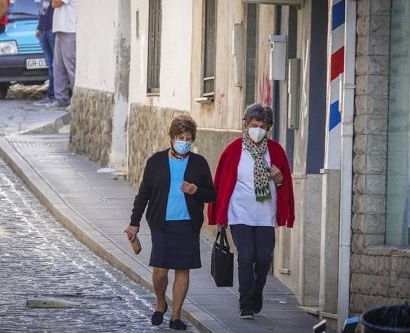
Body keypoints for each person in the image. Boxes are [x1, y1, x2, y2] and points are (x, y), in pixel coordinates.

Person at [125, 115, 216, 330]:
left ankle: (175, 316)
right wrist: (134, 222)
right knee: (160, 272)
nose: (184, 141)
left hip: (188, 225)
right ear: (171, 138)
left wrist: (196, 191)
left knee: (183, 270)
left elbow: (211, 194)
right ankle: (160, 302)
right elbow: (144, 194)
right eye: (180, 137)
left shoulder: (199, 163)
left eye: (188, 138)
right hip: (162, 224)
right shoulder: (156, 161)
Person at [207, 103, 294, 320]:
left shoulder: (275, 151)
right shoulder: (233, 150)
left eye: (263, 126)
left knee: (263, 259)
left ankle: (257, 292)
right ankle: (246, 303)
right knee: (246, 257)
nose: (258, 129)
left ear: (269, 128)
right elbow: (221, 184)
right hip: (240, 214)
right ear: (246, 124)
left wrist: (280, 180)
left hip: (265, 215)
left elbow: (286, 184)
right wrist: (220, 216)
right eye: (254, 125)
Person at [45, 0, 78, 109]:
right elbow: (54, 2)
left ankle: (76, 98)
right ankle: (61, 98)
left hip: (69, 31)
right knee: (58, 66)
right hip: (60, 31)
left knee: (70, 65)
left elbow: (55, 3)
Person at [34, 0, 63, 107]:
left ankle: (54, 96)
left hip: (52, 30)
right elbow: (42, 9)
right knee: (49, 64)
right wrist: (39, 27)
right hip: (43, 30)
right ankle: (50, 95)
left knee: (54, 65)